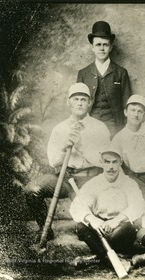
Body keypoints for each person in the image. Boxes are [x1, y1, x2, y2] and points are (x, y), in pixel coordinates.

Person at [24, 83, 111, 241]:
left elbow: (105, 162)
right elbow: (53, 162)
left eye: (83, 99)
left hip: (91, 179)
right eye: (76, 99)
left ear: (90, 102)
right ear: (68, 103)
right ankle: (45, 228)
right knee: (32, 189)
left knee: (89, 228)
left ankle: (86, 228)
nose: (79, 103)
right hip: (65, 178)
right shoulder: (60, 129)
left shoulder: (100, 128)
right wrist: (64, 148)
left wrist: (80, 146)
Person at [69, 147, 144, 266]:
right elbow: (77, 207)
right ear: (101, 163)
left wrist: (116, 221)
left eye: (114, 162)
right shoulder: (93, 183)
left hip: (120, 227)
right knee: (80, 226)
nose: (110, 167)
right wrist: (93, 220)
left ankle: (98, 257)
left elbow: (137, 206)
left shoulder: (129, 183)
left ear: (121, 162)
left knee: (130, 227)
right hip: (100, 227)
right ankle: (110, 258)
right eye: (107, 162)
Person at [77, 21, 132, 137]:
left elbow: (127, 106)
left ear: (111, 47)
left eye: (105, 45)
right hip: (89, 126)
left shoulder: (121, 73)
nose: (102, 49)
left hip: (114, 127)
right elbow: (78, 105)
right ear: (92, 47)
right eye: (98, 45)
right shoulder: (83, 74)